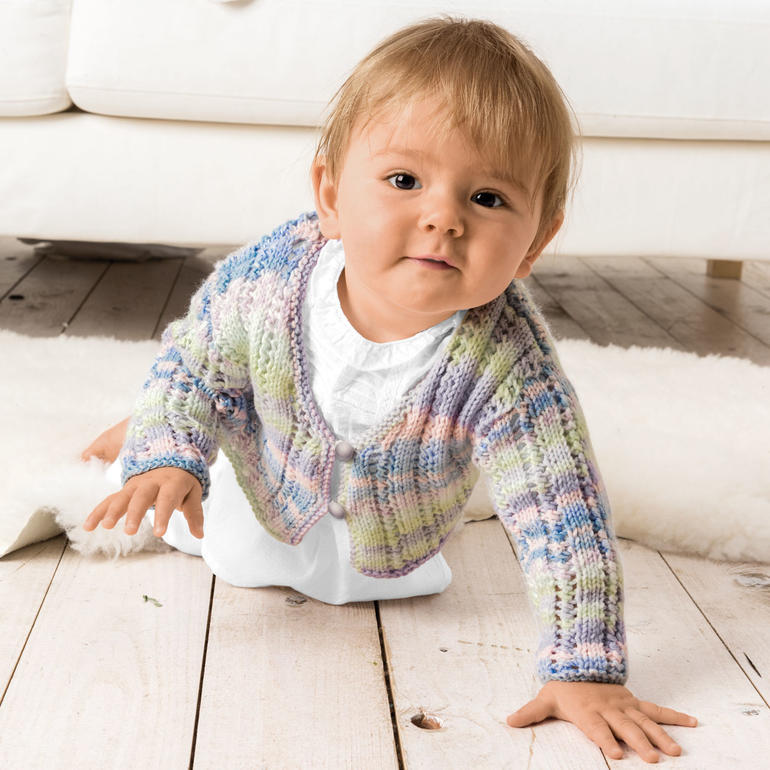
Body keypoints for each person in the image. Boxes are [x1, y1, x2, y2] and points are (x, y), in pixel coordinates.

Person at [81, 16, 697, 762]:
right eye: (405, 181)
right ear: (331, 196)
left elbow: (563, 510)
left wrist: (586, 670)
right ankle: (172, 433)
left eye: (488, 198)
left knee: (402, 573)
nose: (444, 218)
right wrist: (167, 453)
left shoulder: (510, 366)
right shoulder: (272, 280)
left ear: (535, 243)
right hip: (267, 471)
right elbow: (197, 358)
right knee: (184, 494)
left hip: (396, 534)